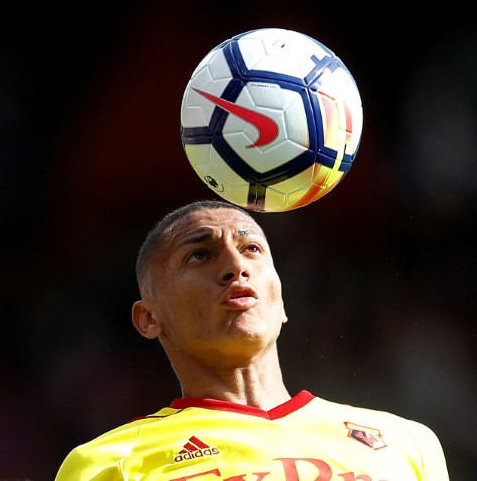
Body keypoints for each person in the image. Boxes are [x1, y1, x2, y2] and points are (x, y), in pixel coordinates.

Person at [55, 199, 450, 481]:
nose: (236, 266)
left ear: (280, 297)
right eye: (199, 255)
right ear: (149, 318)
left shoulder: (407, 443)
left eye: (252, 249)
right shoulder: (109, 464)